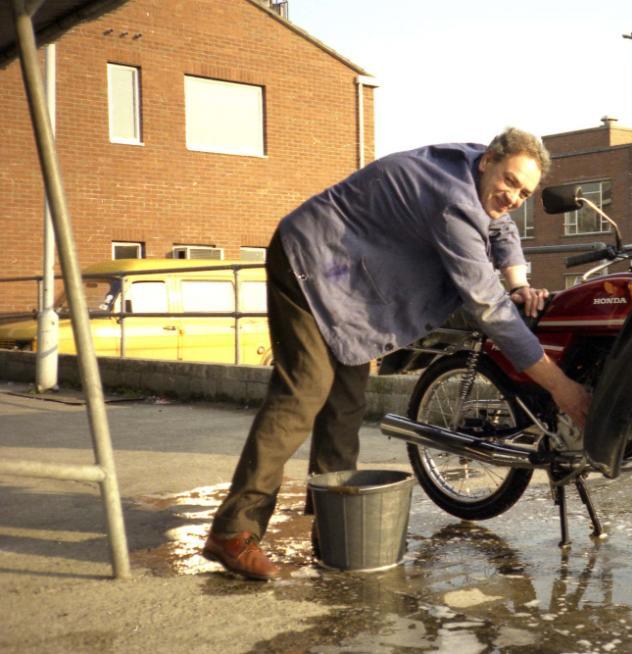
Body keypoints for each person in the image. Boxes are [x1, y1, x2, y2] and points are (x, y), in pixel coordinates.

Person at [202, 128, 591, 580]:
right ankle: (233, 531)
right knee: (304, 392)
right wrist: (561, 387)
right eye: (510, 182)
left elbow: (500, 225)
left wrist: (520, 283)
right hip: (310, 260)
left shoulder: (477, 173)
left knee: (345, 406)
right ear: (488, 161)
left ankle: (333, 526)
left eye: (524, 191)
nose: (513, 196)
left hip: (348, 279)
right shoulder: (454, 202)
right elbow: (490, 309)